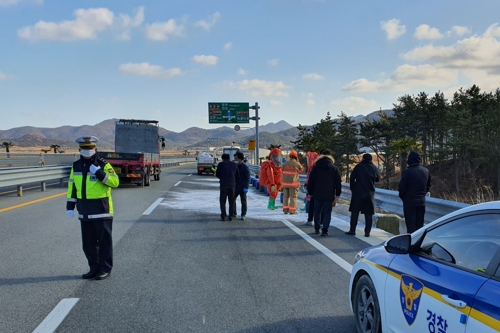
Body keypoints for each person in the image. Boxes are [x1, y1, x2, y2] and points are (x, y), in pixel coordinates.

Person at [66, 136, 120, 280]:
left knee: (104, 243)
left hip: (102, 210)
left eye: (90, 148)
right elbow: (72, 186)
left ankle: (105, 269)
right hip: (84, 211)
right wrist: (70, 206)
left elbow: (115, 182)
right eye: (84, 148)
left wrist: (99, 173)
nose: (87, 151)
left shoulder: (103, 164)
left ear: (95, 149)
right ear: (79, 150)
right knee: (88, 244)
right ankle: (94, 268)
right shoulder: (76, 165)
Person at [307, 149, 342, 236]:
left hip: (317, 193)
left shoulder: (315, 167)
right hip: (329, 194)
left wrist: (310, 191)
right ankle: (325, 229)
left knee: (317, 211)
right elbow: (338, 182)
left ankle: (317, 228)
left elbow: (311, 180)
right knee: (327, 212)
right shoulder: (334, 168)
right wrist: (337, 194)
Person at [346, 153, 380, 237]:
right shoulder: (374, 168)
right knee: (368, 214)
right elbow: (378, 179)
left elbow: (352, 177)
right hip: (369, 193)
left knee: (355, 212)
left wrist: (353, 188)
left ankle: (352, 230)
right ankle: (367, 232)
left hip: (358, 192)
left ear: (363, 158)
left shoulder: (358, 167)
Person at [398, 151, 431, 233]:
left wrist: (404, 198)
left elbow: (402, 188)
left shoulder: (407, 172)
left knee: (411, 226)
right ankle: (418, 243)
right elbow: (428, 186)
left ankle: (412, 243)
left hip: (410, 202)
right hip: (422, 201)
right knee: (419, 225)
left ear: (410, 160)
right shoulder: (426, 171)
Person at [216, 153, 239, 221]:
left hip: (223, 185)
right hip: (232, 185)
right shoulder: (234, 164)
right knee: (231, 201)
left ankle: (223, 216)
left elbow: (217, 174)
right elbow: (237, 175)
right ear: (229, 158)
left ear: (222, 158)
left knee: (223, 201)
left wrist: (222, 178)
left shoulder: (220, 164)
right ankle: (231, 216)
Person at [302, 151, 319, 225]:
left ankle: (311, 219)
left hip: (313, 189)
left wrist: (308, 185)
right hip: (316, 189)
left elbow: (311, 178)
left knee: (312, 204)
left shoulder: (313, 167)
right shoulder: (314, 167)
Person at [232, 151, 250, 220]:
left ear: (239, 157)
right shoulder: (234, 165)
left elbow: (247, 177)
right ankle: (234, 212)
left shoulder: (245, 167)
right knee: (232, 200)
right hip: (235, 186)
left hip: (242, 187)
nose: (234, 157)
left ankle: (243, 214)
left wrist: (246, 187)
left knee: (243, 201)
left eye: (235, 156)